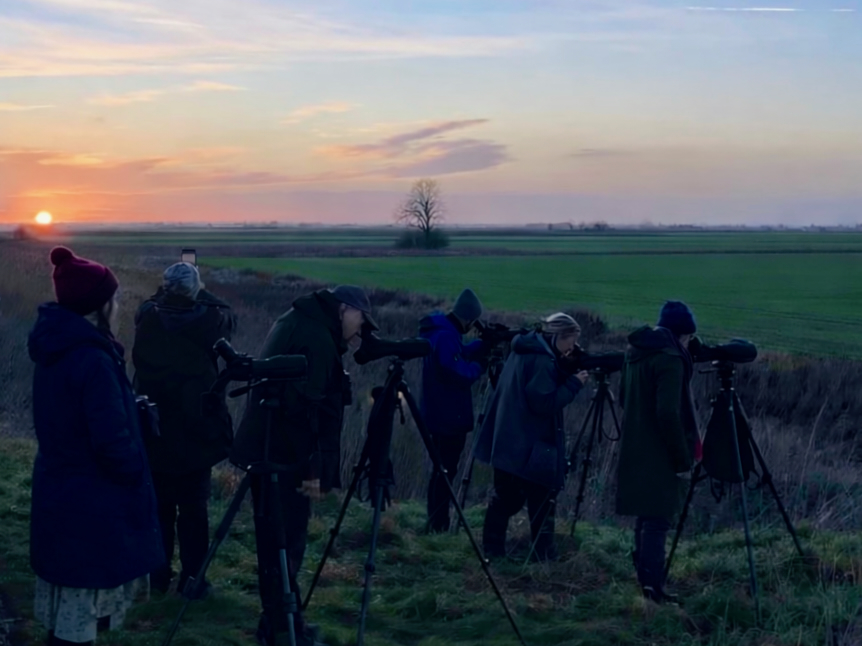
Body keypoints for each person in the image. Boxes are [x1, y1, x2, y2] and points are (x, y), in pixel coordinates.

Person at [28, 247, 163, 646]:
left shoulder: (55, 349)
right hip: (91, 503)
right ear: (98, 308)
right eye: (114, 299)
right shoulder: (93, 359)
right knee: (79, 618)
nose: (119, 306)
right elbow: (111, 442)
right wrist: (136, 470)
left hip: (60, 490)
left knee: (65, 611)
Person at [231, 285, 376, 646]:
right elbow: (309, 414)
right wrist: (315, 472)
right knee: (285, 540)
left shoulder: (302, 319)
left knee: (274, 538)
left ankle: (280, 620)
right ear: (344, 310)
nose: (360, 331)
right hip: (282, 456)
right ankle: (283, 628)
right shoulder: (317, 339)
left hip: (267, 447)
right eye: (360, 320)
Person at [132, 262, 237, 598]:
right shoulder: (211, 320)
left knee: (160, 507)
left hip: (156, 426)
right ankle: (194, 580)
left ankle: (157, 577)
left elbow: (149, 306)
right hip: (196, 431)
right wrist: (199, 291)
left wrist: (170, 293)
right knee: (194, 510)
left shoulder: (148, 317)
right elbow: (229, 319)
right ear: (195, 290)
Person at [475, 313, 589, 562]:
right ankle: (542, 554)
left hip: (510, 437)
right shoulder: (541, 360)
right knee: (542, 498)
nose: (573, 347)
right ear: (559, 336)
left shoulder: (525, 348)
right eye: (571, 341)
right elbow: (544, 403)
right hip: (529, 443)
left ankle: (493, 551)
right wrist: (573, 384)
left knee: (506, 496)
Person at [615, 301, 701, 603]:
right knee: (658, 519)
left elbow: (623, 397)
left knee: (646, 515)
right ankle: (653, 588)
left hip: (636, 443)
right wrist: (682, 458)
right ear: (680, 335)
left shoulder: (636, 352)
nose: (689, 345)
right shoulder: (670, 359)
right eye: (688, 339)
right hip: (661, 450)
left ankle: (645, 580)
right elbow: (668, 412)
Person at [418, 288, 487, 532]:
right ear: (468, 318)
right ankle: (439, 525)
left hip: (438, 414)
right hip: (448, 418)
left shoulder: (440, 332)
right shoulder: (447, 336)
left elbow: (455, 356)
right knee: (445, 473)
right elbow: (455, 372)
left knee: (440, 471)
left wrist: (478, 346)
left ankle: (435, 522)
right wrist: (479, 366)